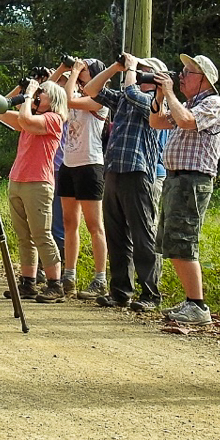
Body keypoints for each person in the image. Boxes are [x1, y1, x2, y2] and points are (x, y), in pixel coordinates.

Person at [149, 54, 220, 326]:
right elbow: (156, 121)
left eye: (187, 72)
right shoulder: (187, 103)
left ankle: (198, 305)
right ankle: (191, 301)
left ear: (203, 78)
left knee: (184, 240)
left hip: (193, 181)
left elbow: (185, 121)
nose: (181, 77)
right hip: (175, 180)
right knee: (171, 241)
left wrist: (169, 91)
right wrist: (160, 96)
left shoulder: (214, 103)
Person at [85, 54, 165, 311]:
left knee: (142, 235)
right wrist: (115, 67)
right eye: (139, 70)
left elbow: (132, 92)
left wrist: (130, 71)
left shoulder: (154, 102)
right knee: (116, 234)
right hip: (115, 170)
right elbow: (91, 89)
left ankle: (150, 293)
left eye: (146, 71)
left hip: (139, 172)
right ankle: (120, 291)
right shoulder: (125, 98)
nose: (140, 73)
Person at [0, 78, 69, 303]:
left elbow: (25, 118)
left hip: (38, 183)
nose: (36, 95)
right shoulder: (31, 120)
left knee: (41, 235)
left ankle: (55, 284)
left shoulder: (54, 119)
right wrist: (19, 90)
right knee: (24, 237)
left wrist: (27, 97)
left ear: (53, 99)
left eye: (41, 93)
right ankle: (28, 282)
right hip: (18, 180)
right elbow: (0, 110)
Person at [55, 58, 109, 300]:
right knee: (69, 222)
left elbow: (67, 100)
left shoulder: (100, 99)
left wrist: (74, 71)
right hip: (69, 162)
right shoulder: (73, 92)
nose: (80, 73)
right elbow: (55, 95)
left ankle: (100, 278)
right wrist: (62, 71)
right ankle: (69, 273)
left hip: (90, 164)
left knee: (94, 225)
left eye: (85, 70)